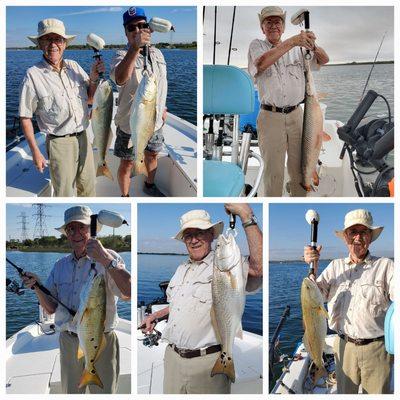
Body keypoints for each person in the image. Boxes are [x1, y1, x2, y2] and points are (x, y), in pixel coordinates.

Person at [141, 204, 263, 394]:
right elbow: (179, 305)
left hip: (208, 362)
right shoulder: (181, 269)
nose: (194, 239)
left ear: (212, 235)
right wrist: (157, 315)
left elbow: (258, 268)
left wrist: (247, 216)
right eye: (188, 235)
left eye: (200, 232)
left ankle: (227, 359)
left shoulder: (227, 265)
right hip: (172, 359)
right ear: (184, 241)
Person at [22, 205, 131, 394]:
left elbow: (128, 293)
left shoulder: (111, 257)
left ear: (91, 228)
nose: (76, 233)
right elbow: (50, 308)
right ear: (66, 234)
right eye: (70, 228)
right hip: (69, 341)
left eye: (81, 227)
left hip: (101, 340)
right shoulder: (59, 265)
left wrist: (105, 259)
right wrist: (37, 287)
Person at [304, 209, 393, 394]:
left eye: (364, 232)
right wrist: (313, 267)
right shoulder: (334, 267)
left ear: (370, 237)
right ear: (345, 237)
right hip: (343, 347)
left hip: (377, 350)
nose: (358, 238)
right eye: (353, 232)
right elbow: (316, 296)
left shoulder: (386, 266)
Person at [248, 6, 329, 197]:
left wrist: (312, 45)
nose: (273, 25)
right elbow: (260, 64)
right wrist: (294, 41)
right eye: (268, 22)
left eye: (277, 22)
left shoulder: (299, 50)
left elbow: (324, 60)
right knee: (273, 173)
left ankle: (299, 200)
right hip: (270, 116)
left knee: (301, 169)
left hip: (298, 115)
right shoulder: (257, 45)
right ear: (262, 28)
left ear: (283, 27)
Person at [19, 19, 105, 197]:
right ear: (39, 44)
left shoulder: (74, 66)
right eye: (47, 39)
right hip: (59, 143)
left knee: (89, 188)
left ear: (64, 44)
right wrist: (36, 152)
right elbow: (25, 117)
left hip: (83, 137)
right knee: (64, 192)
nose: (53, 44)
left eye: (57, 39)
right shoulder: (32, 75)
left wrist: (94, 78)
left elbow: (90, 98)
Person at [111, 7, 168, 197]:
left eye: (142, 26)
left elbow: (160, 86)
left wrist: (163, 108)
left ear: (148, 29)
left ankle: (149, 185)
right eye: (131, 28)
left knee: (152, 155)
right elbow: (119, 78)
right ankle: (125, 196)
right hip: (130, 124)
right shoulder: (120, 56)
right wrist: (135, 48)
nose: (137, 31)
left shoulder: (158, 54)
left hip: (155, 121)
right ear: (125, 32)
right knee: (127, 162)